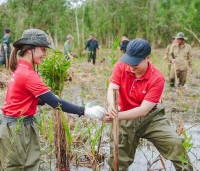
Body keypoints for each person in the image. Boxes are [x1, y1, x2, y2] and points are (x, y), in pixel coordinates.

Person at [0, 29, 106, 170]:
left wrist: (44, 100)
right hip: (17, 128)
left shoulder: (21, 68)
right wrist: (86, 111)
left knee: (28, 165)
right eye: (43, 50)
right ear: (29, 50)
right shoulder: (28, 74)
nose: (45, 54)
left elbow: (23, 99)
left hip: (19, 124)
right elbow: (56, 104)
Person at [104, 38, 193, 171]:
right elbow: (112, 88)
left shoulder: (157, 78)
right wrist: (112, 105)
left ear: (147, 57)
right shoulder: (121, 66)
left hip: (151, 118)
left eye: (135, 63)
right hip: (123, 117)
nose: (131, 66)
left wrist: (116, 116)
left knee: (175, 145)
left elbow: (144, 110)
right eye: (129, 61)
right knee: (118, 162)